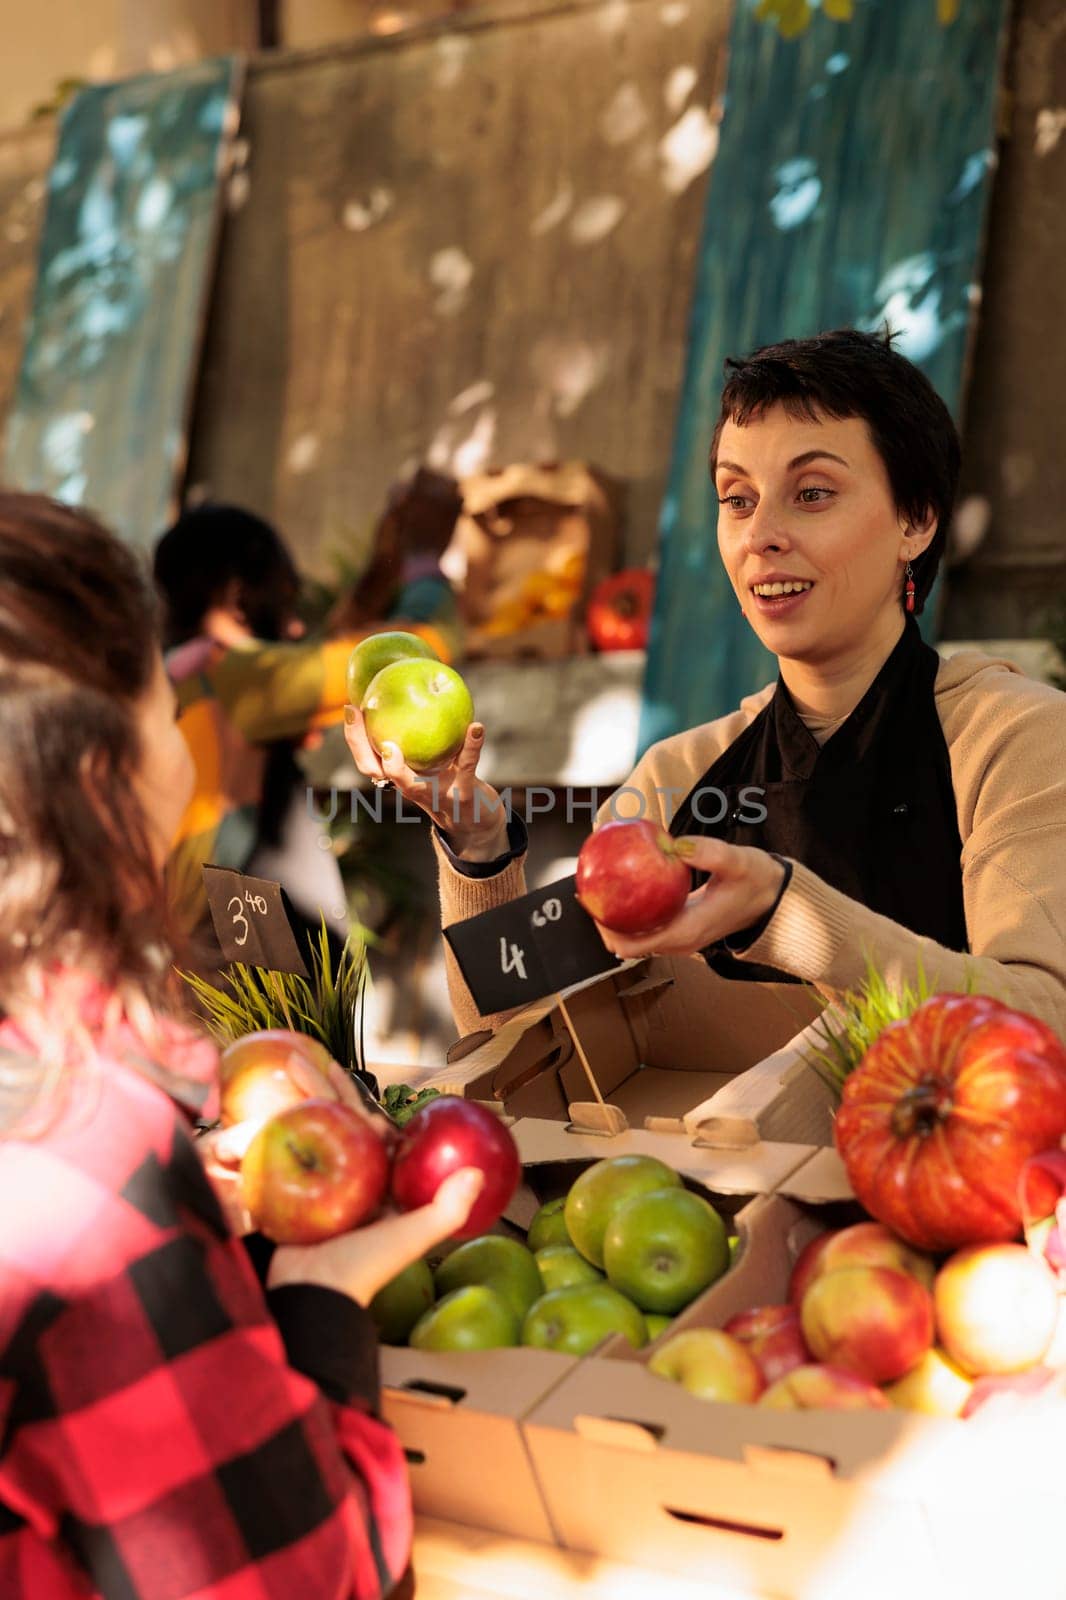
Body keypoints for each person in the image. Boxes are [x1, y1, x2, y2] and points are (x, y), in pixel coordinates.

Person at [0, 492, 482, 1598]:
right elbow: (295, 1569)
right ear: (101, 777)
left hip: (208, 982)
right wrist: (419, 567)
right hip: (229, 970)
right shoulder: (229, 669)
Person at [344, 328, 1066, 1046]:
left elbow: (1046, 1020)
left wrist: (791, 918)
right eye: (738, 499)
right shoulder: (677, 778)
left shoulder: (1013, 741)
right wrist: (480, 850)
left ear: (916, 520)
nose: (761, 536)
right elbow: (519, 1049)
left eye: (812, 493)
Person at [153, 484, 460, 959]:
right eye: (285, 600)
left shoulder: (180, 678)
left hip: (202, 930)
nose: (296, 626)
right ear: (237, 599)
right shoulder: (233, 677)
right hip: (241, 937)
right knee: (290, 1032)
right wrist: (423, 561)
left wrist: (379, 576)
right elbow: (417, 655)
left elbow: (316, 655)